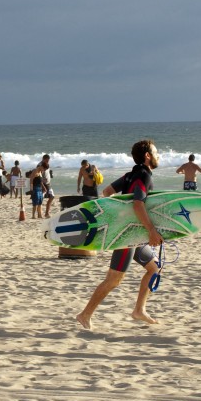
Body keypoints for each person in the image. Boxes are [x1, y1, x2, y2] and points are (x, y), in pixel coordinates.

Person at [75, 139, 162, 329]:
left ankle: (139, 310)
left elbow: (107, 192)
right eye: (156, 152)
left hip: (134, 235)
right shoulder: (144, 176)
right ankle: (85, 314)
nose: (158, 155)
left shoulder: (131, 174)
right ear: (147, 156)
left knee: (154, 268)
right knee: (114, 279)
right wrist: (151, 230)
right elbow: (138, 204)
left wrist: (119, 215)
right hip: (127, 236)